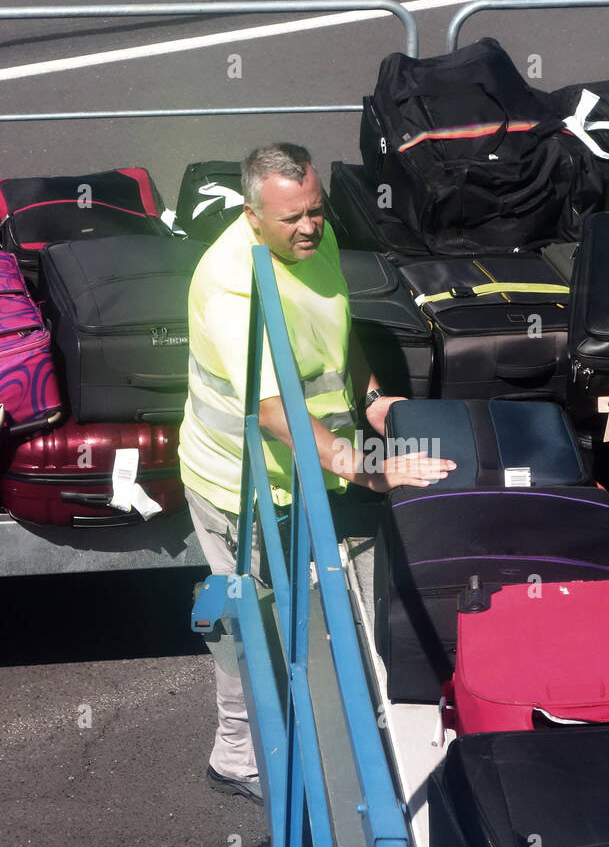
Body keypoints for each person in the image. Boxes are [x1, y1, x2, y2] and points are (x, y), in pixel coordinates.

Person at [178, 142, 454, 802]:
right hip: (238, 484)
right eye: (292, 218)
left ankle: (287, 729)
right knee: (251, 621)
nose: (310, 228)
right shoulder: (233, 289)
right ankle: (237, 754)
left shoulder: (308, 241)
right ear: (252, 214)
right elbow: (275, 414)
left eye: (315, 212)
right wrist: (375, 472)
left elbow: (338, 325)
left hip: (306, 469)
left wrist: (373, 398)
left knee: (293, 612)